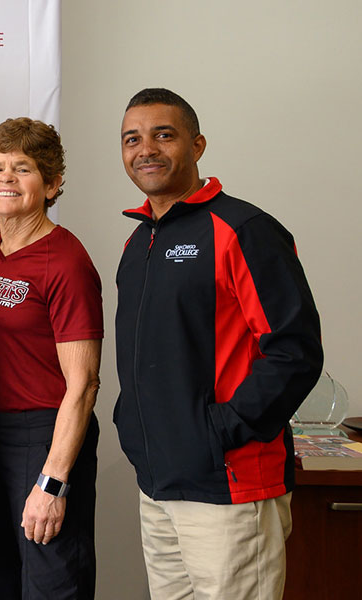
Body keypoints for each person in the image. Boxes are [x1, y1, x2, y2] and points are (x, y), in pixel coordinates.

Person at [114, 88, 322, 599]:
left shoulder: (243, 230)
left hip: (231, 484)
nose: (147, 149)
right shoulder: (139, 240)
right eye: (132, 139)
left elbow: (294, 351)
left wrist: (219, 432)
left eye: (165, 135)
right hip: (158, 483)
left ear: (198, 144)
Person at [0, 118, 102, 599]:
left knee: (51, 580)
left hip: (43, 435)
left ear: (53, 183)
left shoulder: (65, 261)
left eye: (22, 169)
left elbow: (82, 386)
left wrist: (53, 482)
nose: (6, 179)